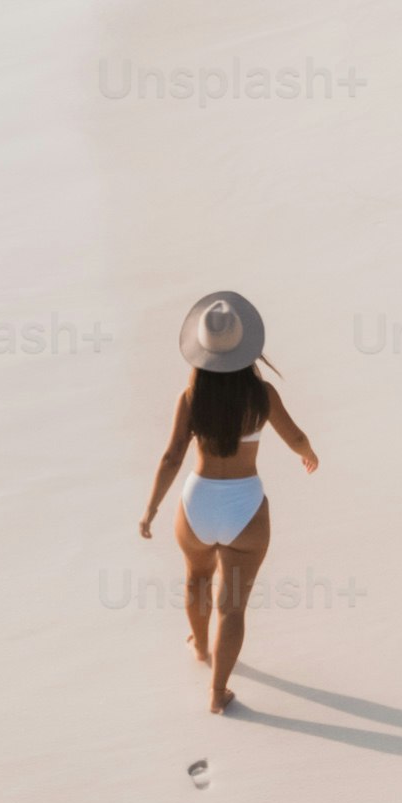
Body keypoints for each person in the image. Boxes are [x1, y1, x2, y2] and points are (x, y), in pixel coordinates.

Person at [136, 288, 318, 716]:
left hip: (196, 505)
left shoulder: (191, 397)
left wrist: (151, 509)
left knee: (196, 579)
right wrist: (308, 453)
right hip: (245, 510)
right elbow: (294, 437)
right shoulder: (261, 396)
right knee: (232, 607)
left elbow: (172, 455)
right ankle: (218, 693)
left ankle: (199, 645)